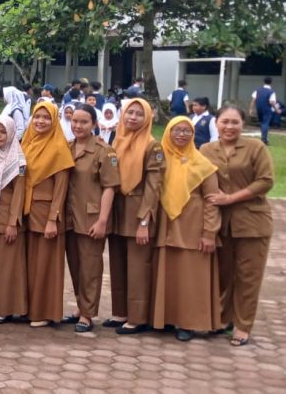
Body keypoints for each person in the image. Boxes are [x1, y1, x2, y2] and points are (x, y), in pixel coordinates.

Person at [201, 106, 275, 346]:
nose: (229, 127)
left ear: (243, 124)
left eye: (235, 122)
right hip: (222, 224)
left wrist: (230, 198)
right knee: (224, 274)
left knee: (248, 276)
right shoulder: (206, 149)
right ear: (216, 123)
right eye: (225, 122)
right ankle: (224, 319)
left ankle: (243, 326)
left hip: (252, 222)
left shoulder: (256, 148)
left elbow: (265, 181)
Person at [152, 117, 221, 342]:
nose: (181, 135)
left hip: (192, 225)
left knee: (191, 276)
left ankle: (188, 323)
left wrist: (209, 232)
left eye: (186, 131)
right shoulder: (159, 158)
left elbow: (212, 200)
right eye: (176, 130)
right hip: (165, 224)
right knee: (167, 272)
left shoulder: (202, 164)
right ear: (168, 132)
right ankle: (166, 318)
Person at [107, 98, 163, 335]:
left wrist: (144, 221)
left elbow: (154, 186)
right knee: (118, 263)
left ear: (148, 118)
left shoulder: (152, 146)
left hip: (138, 211)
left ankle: (137, 318)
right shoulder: (117, 140)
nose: (133, 118)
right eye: (130, 112)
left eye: (140, 114)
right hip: (118, 210)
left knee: (138, 266)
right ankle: (121, 312)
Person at [62, 104, 119, 333]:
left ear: (94, 124)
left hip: (92, 217)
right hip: (70, 216)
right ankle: (79, 306)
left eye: (84, 122)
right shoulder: (67, 147)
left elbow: (110, 187)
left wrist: (103, 220)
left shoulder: (104, 151)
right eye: (75, 121)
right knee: (75, 264)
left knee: (90, 267)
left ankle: (87, 314)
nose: (78, 126)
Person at [20, 102, 74, 328]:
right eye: (37, 117)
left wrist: (53, 219)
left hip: (47, 215)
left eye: (46, 118)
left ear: (54, 121)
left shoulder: (59, 148)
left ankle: (44, 312)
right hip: (27, 212)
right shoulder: (27, 142)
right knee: (30, 264)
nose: (41, 121)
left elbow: (61, 189)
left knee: (46, 265)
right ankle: (28, 308)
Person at [0, 116, 27, 324]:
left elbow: (19, 195)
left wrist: (12, 223)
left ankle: (5, 308)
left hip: (6, 223)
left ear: (10, 134)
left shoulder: (17, 160)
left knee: (5, 268)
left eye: (2, 132)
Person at [248, 78, 277, 143]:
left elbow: (253, 100)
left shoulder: (257, 90)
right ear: (271, 82)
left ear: (263, 82)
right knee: (266, 123)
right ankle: (264, 139)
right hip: (267, 109)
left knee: (262, 123)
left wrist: (251, 109)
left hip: (259, 109)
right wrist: (276, 109)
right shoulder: (271, 92)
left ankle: (263, 136)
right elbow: (271, 102)